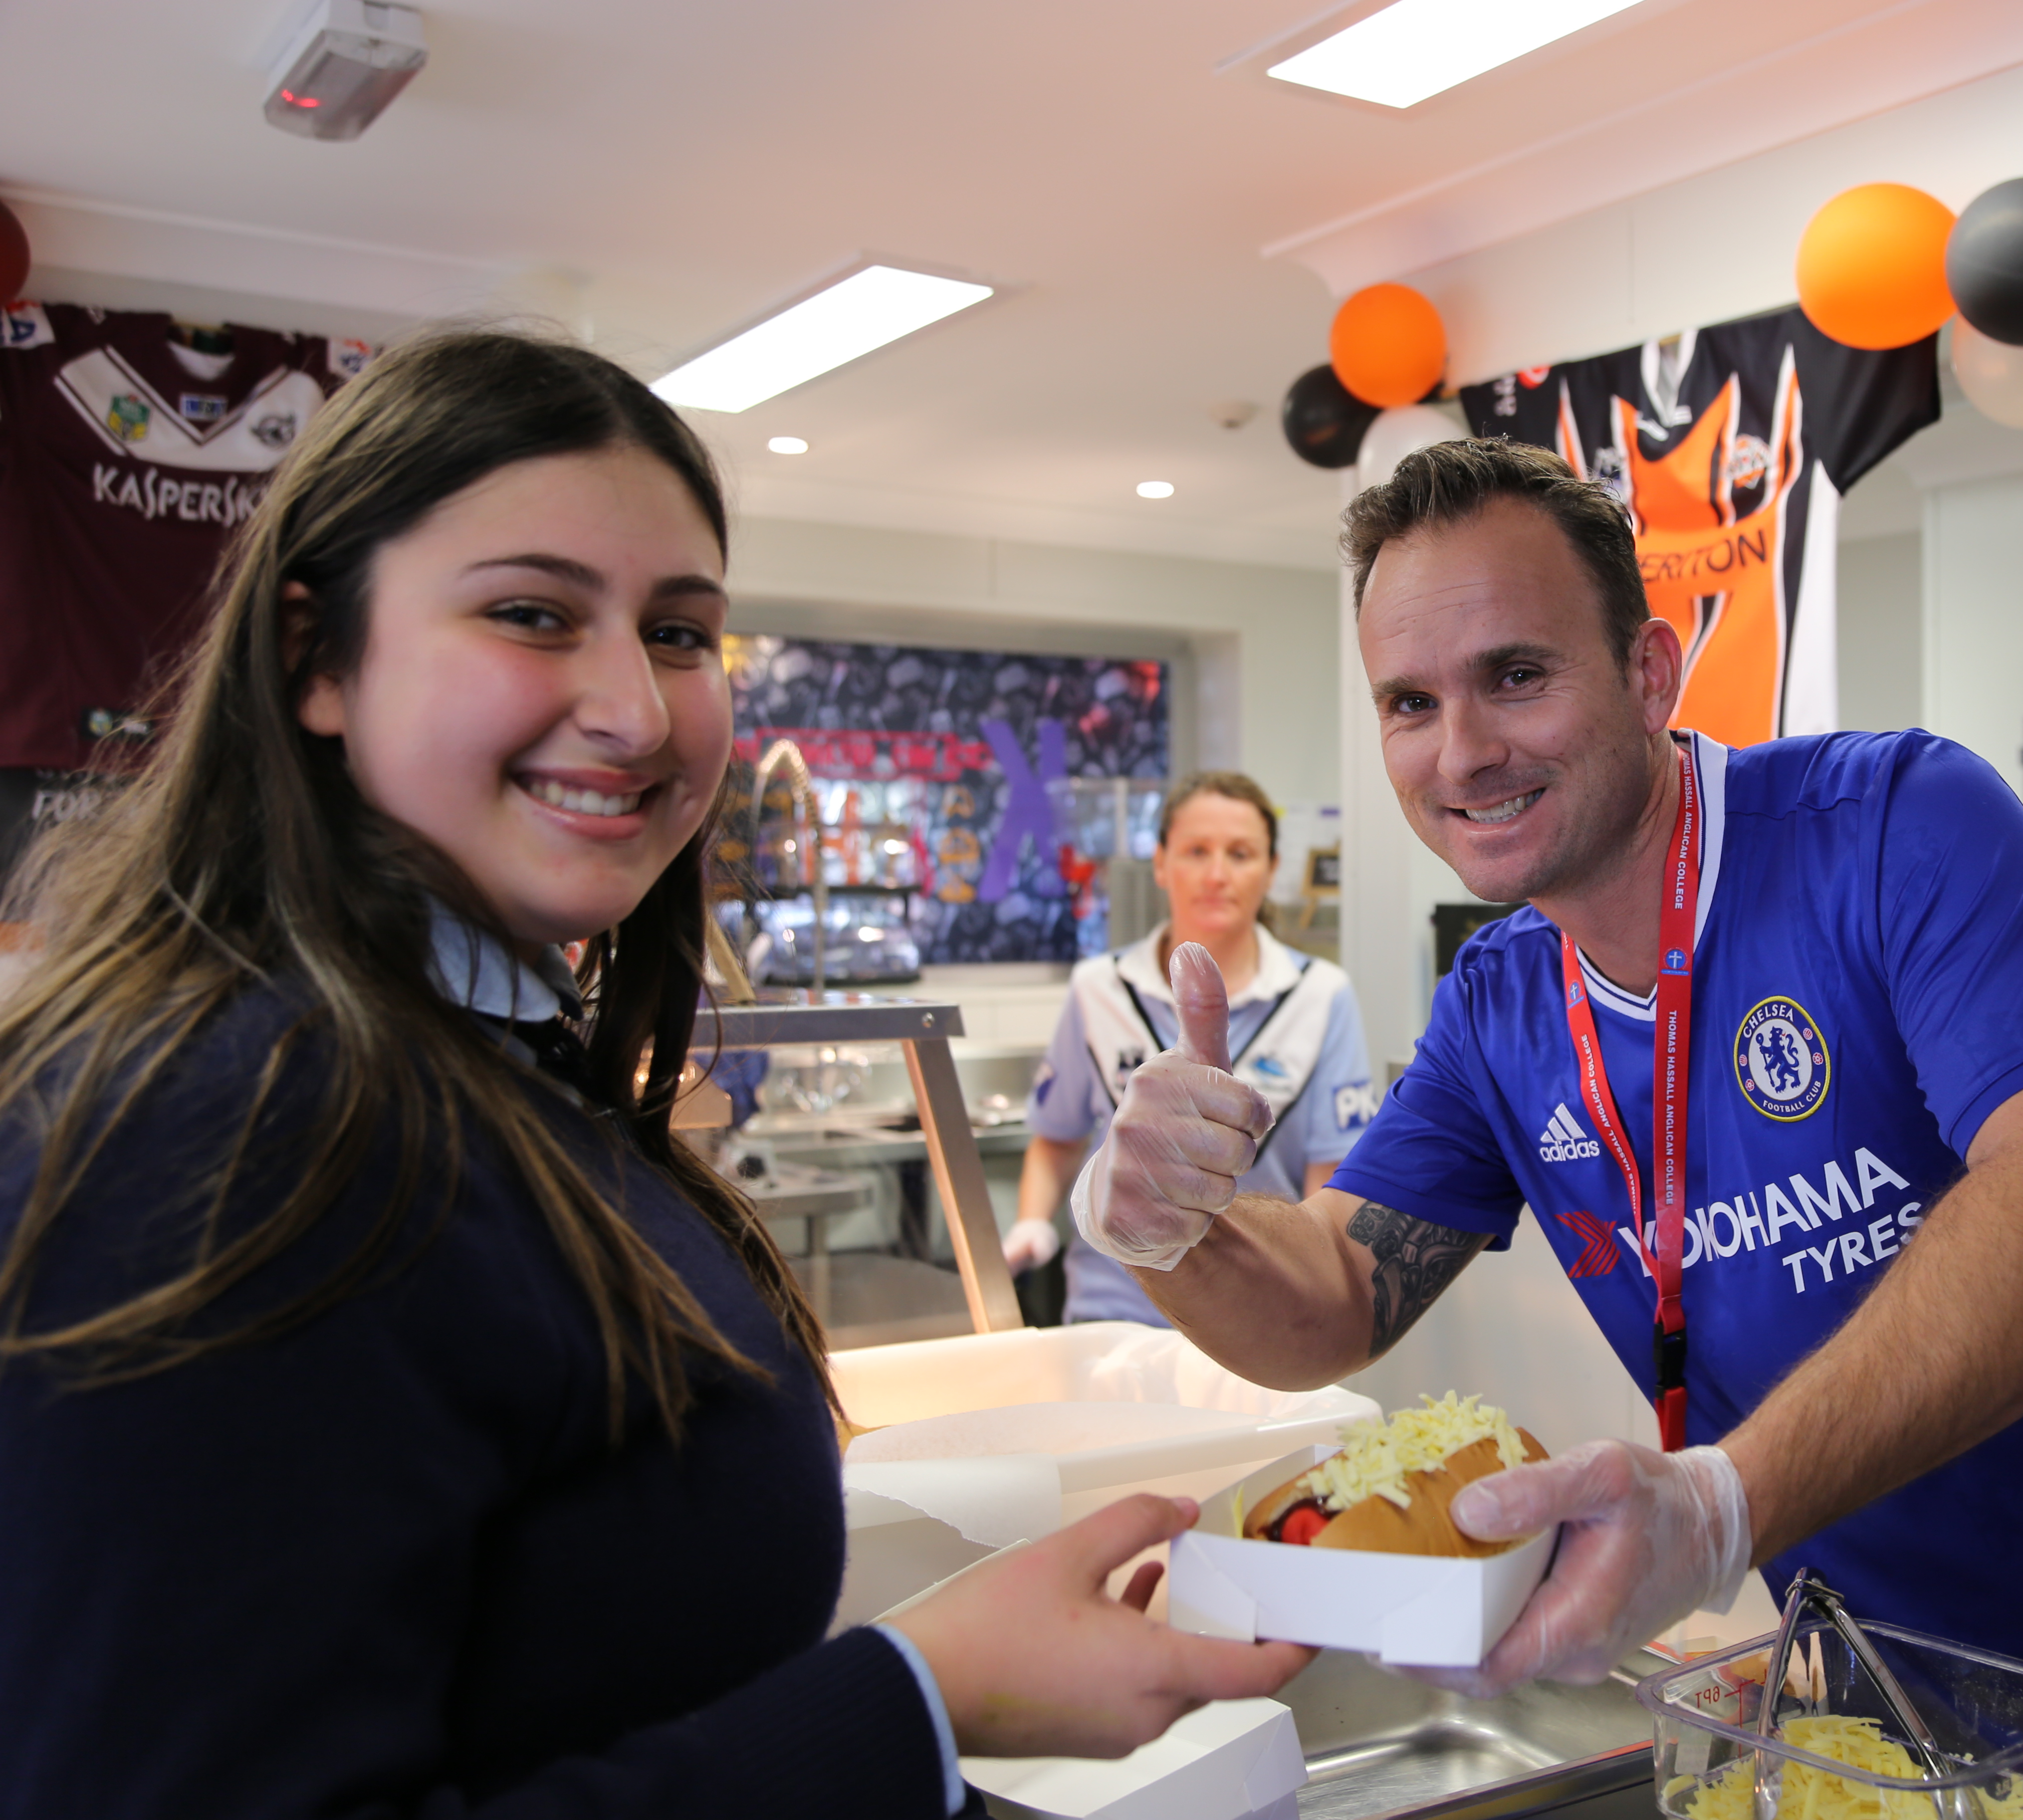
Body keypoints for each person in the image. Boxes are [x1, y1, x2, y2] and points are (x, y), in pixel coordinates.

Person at [1065, 439, 2023, 1820]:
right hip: (1923, 1727)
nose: (1466, 751)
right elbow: (1330, 1296)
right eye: (1409, 703)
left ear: (1648, 670)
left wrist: (1722, 1506)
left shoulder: (1888, 825)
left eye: (1515, 675)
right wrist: (1175, 1228)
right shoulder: (1501, 1005)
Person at [0, 330, 1308, 1820]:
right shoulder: (227, 1127)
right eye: (533, 614)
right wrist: (920, 1699)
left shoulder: (485, 1071)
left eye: (680, 634)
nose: (633, 707)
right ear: (317, 659)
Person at [1001, 772, 1373, 1325]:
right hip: (1114, 1311)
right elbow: (1056, 1140)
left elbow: (1333, 1180)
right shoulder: (1099, 988)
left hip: (1258, 1318)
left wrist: (1322, 1294)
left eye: (1241, 854)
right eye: (1197, 851)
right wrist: (1031, 1222)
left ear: (1272, 869)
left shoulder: (1320, 996)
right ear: (1160, 863)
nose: (1217, 875)